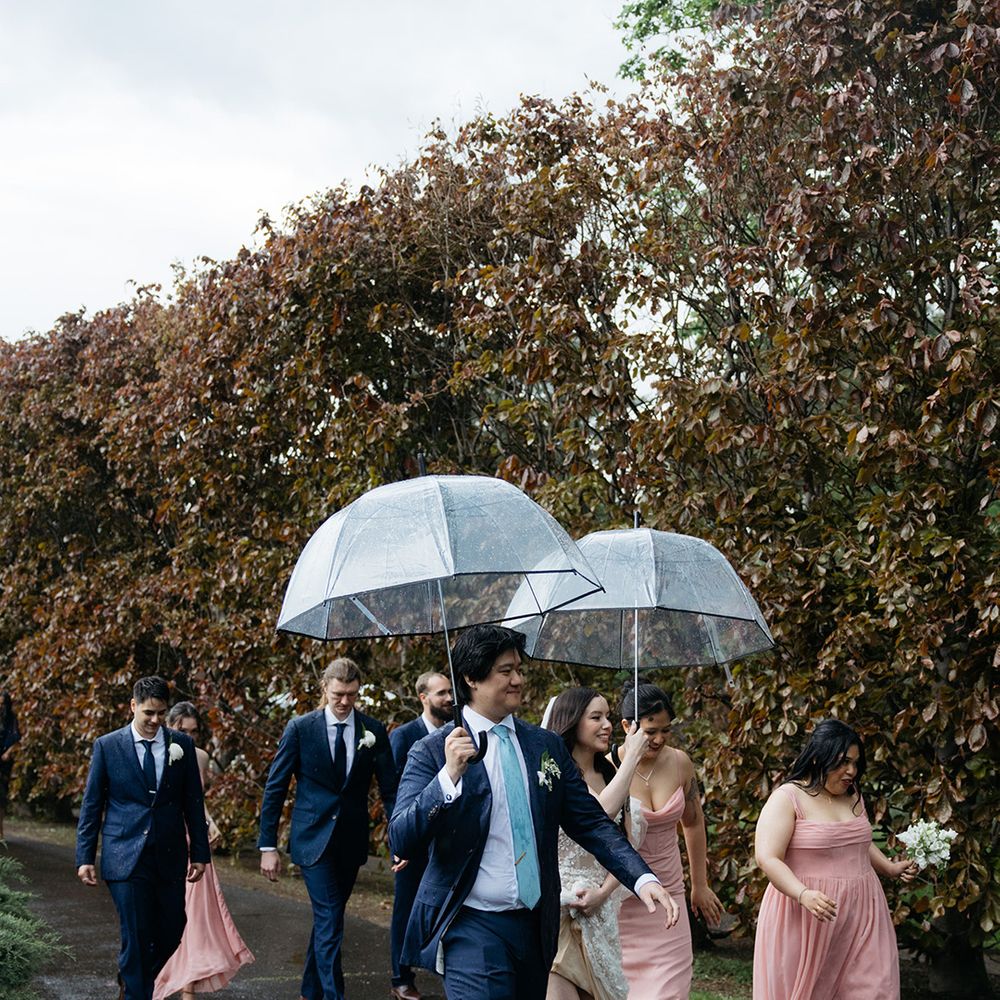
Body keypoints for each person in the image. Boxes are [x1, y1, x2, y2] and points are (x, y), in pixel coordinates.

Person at [389, 624, 680, 1000]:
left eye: (519, 670)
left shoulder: (543, 746)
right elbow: (402, 837)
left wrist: (642, 879)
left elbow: (590, 822)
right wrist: (448, 777)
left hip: (535, 925)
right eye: (505, 671)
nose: (517, 680)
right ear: (471, 678)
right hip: (471, 925)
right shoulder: (433, 751)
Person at [257, 657, 397, 1000]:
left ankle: (309, 989)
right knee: (331, 919)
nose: (344, 701)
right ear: (324, 689)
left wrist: (400, 839)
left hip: (350, 841)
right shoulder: (300, 728)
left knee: (328, 919)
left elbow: (391, 790)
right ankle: (334, 995)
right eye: (338, 694)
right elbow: (275, 788)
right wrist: (267, 846)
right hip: (311, 840)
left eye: (351, 694)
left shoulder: (373, 730)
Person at [752, 719, 917, 999]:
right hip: (805, 913)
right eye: (843, 762)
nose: (851, 771)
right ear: (819, 757)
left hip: (863, 911)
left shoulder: (852, 795)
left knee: (874, 988)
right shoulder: (788, 798)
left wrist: (889, 868)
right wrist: (803, 894)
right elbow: (767, 858)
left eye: (855, 763)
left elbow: (856, 842)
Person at [75, 676, 210, 1000]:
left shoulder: (182, 745)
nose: (154, 721)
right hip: (124, 855)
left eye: (161, 713)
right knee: (136, 935)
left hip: (169, 852)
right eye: (148, 713)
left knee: (172, 928)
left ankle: (132, 978)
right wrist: (84, 857)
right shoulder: (108, 746)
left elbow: (193, 801)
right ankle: (138, 990)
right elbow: (92, 804)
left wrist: (200, 854)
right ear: (133, 706)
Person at [616, 683, 724, 1000]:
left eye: (666, 730)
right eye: (651, 731)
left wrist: (699, 885)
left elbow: (692, 822)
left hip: (670, 897)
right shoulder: (605, 767)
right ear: (627, 726)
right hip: (621, 899)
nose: (660, 739)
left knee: (669, 991)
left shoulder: (679, 763)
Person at [543, 687, 652, 1000]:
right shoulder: (556, 775)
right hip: (562, 911)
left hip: (600, 913)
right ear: (572, 721)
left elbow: (625, 846)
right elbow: (596, 816)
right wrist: (632, 757)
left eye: (608, 716)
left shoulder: (610, 775)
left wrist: (602, 894)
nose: (608, 724)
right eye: (596, 717)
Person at [154, 702, 254, 1000]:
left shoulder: (200, 757)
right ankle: (154, 976)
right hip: (165, 836)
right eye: (181, 730)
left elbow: (196, 799)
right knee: (164, 911)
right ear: (167, 725)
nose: (188, 735)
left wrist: (209, 824)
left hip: (193, 838)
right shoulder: (154, 753)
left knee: (195, 913)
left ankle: (189, 984)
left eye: (193, 731)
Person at [387, 671, 454, 1000]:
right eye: (440, 693)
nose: (447, 698)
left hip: (446, 840)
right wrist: (398, 845)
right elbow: (394, 796)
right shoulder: (403, 736)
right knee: (406, 907)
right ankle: (401, 976)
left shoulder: (460, 735)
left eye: (449, 692)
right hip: (413, 842)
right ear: (423, 697)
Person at [0, 690, 21, 840]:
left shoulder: (12, 719)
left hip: (4, 761)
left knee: (1, 795)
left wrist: (8, 752)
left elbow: (16, 737)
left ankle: (0, 828)